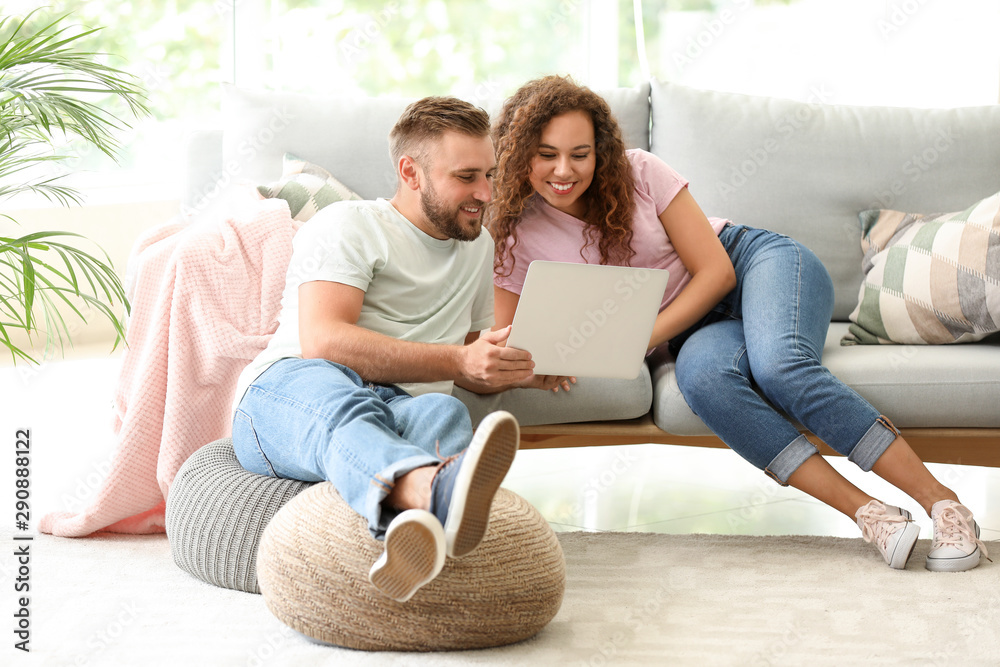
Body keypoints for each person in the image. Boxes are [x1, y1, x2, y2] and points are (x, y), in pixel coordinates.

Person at [488, 75, 989, 572]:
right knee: (703, 380)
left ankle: (945, 504)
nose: (564, 169)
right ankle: (871, 514)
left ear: (600, 151)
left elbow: (716, 272)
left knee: (779, 366)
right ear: (518, 152)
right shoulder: (513, 233)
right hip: (698, 330)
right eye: (545, 153)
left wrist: (639, 338)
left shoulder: (638, 170)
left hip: (756, 266)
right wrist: (545, 365)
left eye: (580, 153)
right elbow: (518, 342)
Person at [231, 96, 563, 602]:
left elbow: (469, 352)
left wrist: (514, 366)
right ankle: (431, 491)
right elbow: (324, 341)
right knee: (347, 402)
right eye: (467, 177)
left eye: (490, 176)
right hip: (290, 388)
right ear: (411, 172)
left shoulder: (478, 246)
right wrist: (457, 360)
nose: (485, 194)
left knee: (443, 411)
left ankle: (410, 545)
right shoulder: (350, 226)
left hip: (397, 403)